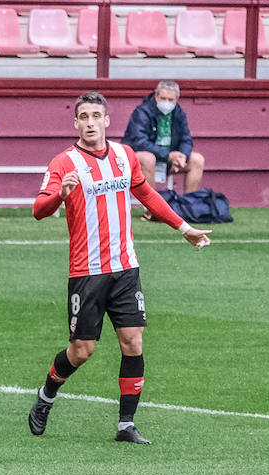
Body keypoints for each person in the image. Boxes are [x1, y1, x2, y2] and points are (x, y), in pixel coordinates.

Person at [26, 92, 211, 443]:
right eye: (84, 116)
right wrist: (60, 195)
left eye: (97, 115)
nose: (91, 122)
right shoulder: (63, 163)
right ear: (76, 123)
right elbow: (38, 209)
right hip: (87, 272)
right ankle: (47, 394)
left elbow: (146, 194)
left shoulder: (125, 156)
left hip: (126, 268)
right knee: (82, 350)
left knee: (133, 342)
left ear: (107, 120)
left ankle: (126, 424)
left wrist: (183, 228)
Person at [123, 80, 205, 193]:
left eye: (170, 99)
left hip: (168, 161)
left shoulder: (179, 113)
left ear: (177, 99)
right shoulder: (142, 112)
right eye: (163, 98)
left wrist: (182, 157)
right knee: (148, 158)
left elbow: (186, 139)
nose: (166, 102)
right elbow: (139, 142)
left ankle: (188, 205)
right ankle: (152, 208)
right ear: (156, 96)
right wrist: (168, 155)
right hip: (140, 162)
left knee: (197, 159)